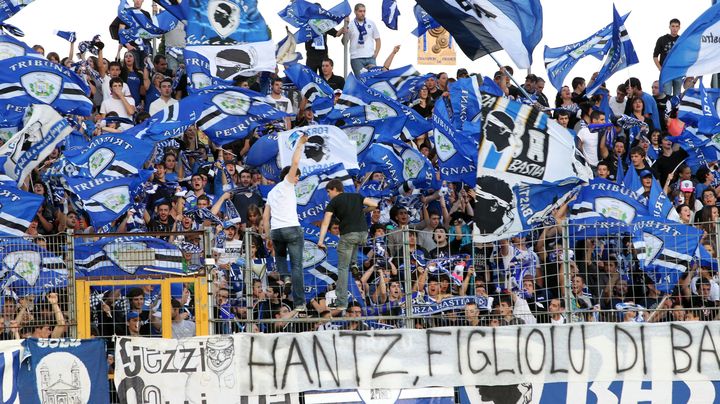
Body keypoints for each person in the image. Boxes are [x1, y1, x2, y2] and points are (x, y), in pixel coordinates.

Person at [263, 134, 308, 311]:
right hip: (291, 229)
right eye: (297, 177)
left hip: (276, 231)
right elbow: (295, 163)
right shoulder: (287, 184)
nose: (297, 180)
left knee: (281, 257)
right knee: (297, 266)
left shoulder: (271, 192)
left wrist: (267, 236)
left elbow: (265, 217)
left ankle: (285, 277)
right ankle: (299, 303)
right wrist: (300, 144)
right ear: (289, 176)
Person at [318, 179, 378, 311]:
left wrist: (321, 241)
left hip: (348, 235)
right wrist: (363, 212)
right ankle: (355, 263)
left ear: (334, 189)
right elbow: (374, 204)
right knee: (353, 241)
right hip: (363, 235)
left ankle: (341, 301)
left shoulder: (333, 202)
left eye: (328, 191)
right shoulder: (356, 196)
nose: (328, 195)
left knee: (342, 268)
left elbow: (325, 222)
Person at [346, 3, 381, 76]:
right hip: (356, 58)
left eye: (364, 11)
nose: (362, 13)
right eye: (360, 11)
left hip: (370, 57)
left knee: (373, 79)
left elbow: (378, 39)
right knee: (361, 80)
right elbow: (344, 42)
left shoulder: (371, 23)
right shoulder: (350, 25)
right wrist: (344, 30)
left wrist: (375, 54)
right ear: (355, 12)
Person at [654, 18, 682, 97]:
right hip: (666, 71)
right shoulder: (662, 39)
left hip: (678, 71)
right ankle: (668, 109)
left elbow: (685, 56)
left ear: (679, 27)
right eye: (673, 26)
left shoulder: (682, 39)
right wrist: (660, 68)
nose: (675, 28)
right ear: (669, 27)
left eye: (677, 26)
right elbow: (655, 56)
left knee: (677, 95)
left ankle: (676, 109)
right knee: (666, 94)